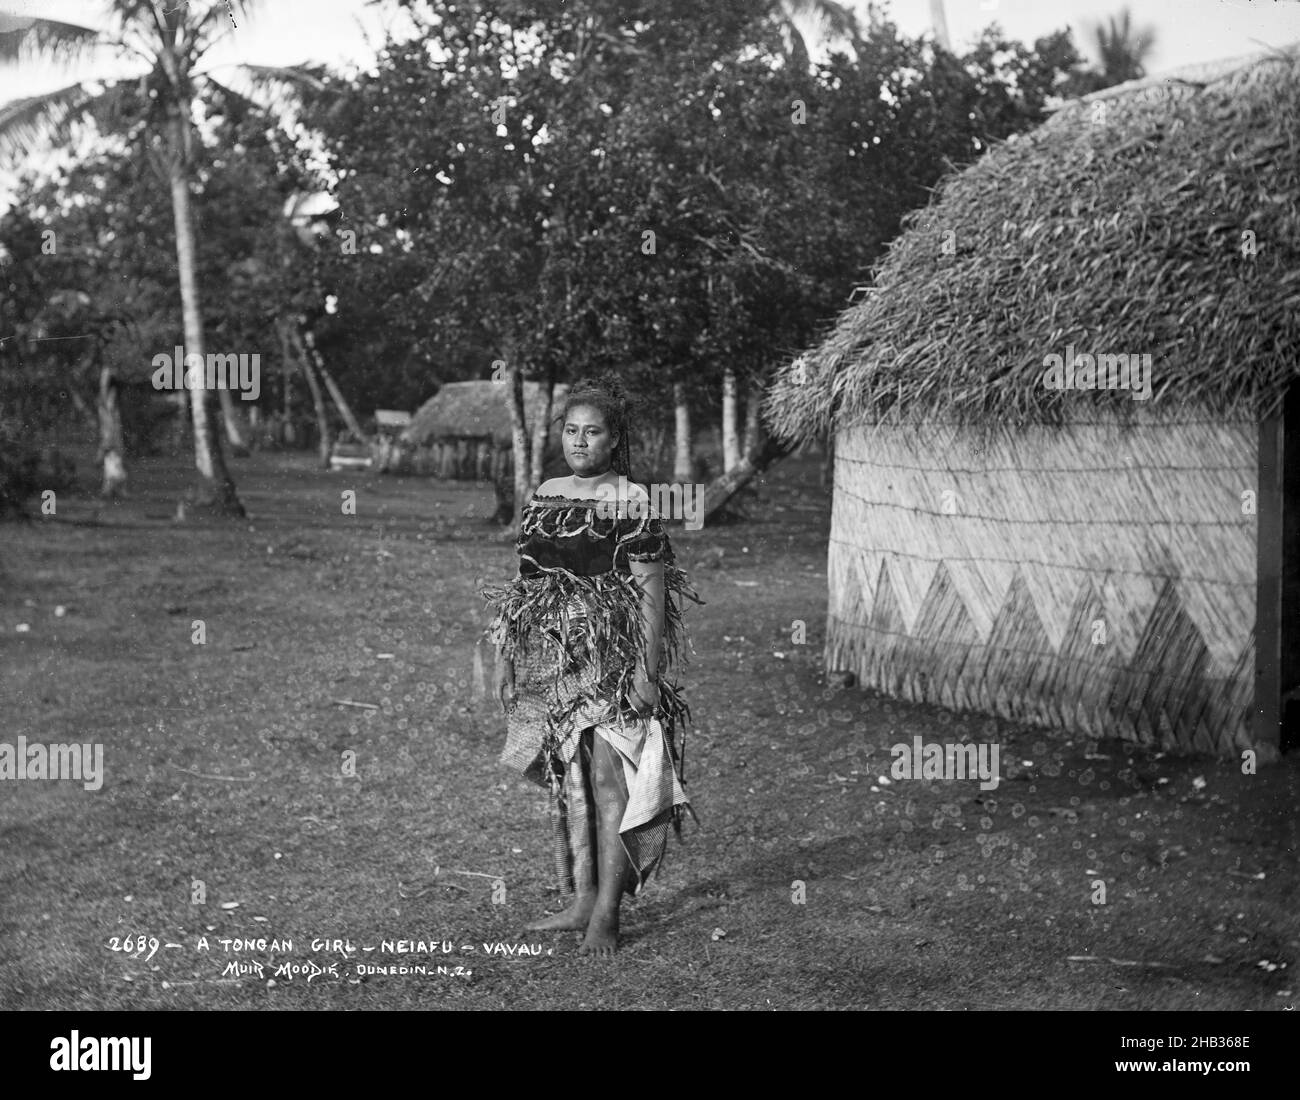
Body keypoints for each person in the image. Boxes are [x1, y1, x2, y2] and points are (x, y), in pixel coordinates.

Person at [481, 375, 701, 956]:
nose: (579, 442)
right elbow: (524, 588)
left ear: (613, 440)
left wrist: (646, 675)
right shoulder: (545, 495)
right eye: (571, 431)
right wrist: (509, 659)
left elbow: (652, 597)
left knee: (609, 780)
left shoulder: (631, 502)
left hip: (610, 658)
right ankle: (581, 897)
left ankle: (607, 913)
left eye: (592, 432)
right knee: (567, 780)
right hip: (547, 660)